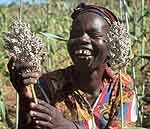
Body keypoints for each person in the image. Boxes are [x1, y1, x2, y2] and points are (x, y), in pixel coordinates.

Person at [7, 3, 138, 129]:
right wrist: (24, 96)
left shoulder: (122, 86)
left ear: (113, 46)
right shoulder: (47, 84)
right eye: (75, 34)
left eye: (95, 35)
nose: (83, 39)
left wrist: (68, 127)